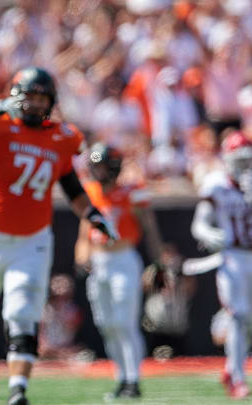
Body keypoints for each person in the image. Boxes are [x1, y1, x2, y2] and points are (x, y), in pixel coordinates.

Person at [0, 66, 117, 405]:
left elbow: (70, 183)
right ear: (14, 97)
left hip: (33, 240)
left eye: (42, 98)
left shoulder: (60, 137)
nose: (35, 105)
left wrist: (92, 213)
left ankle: (18, 390)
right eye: (29, 97)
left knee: (24, 310)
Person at [191, 130, 252, 399]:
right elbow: (198, 223)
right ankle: (237, 377)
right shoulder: (216, 185)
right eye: (240, 159)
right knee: (238, 315)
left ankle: (231, 369)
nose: (246, 165)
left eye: (249, 159)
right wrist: (208, 234)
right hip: (232, 258)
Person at [74, 143, 164, 399]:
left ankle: (133, 380)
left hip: (124, 259)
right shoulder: (89, 192)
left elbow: (150, 227)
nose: (98, 173)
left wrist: (158, 261)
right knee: (107, 325)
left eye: (102, 167)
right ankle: (121, 377)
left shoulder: (132, 191)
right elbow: (84, 232)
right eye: (95, 167)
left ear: (113, 167)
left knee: (124, 323)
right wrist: (81, 257)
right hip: (99, 262)